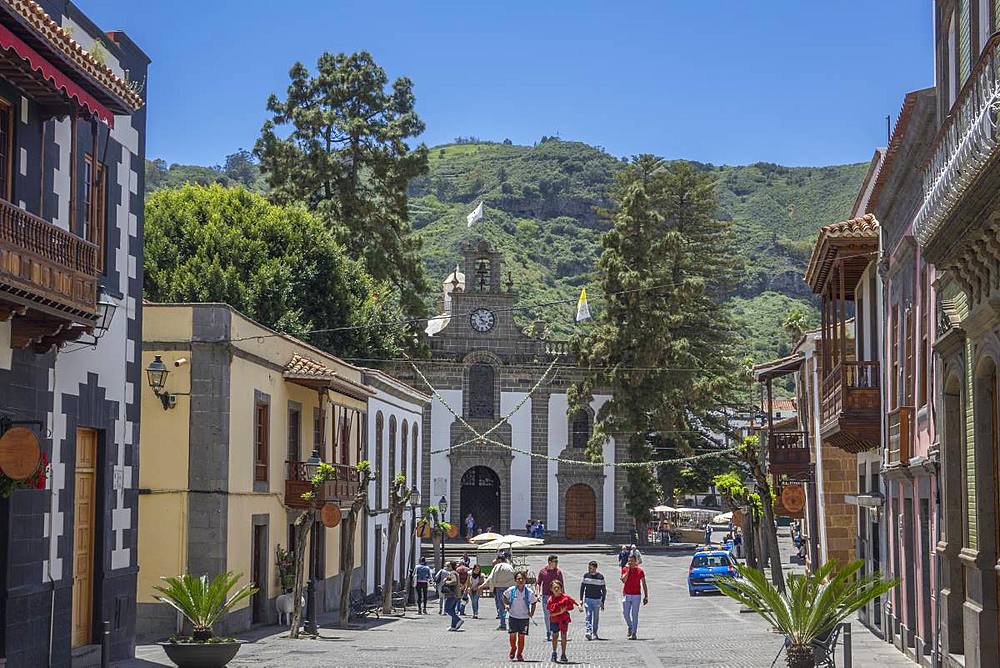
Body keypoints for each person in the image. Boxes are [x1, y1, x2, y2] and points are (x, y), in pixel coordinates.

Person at [502, 571, 537, 661]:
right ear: (515, 580)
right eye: (518, 579)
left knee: (521, 636)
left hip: (524, 618)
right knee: (512, 635)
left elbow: (534, 602)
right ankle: (513, 648)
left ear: (525, 580)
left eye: (522, 579)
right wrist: (506, 605)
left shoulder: (529, 592)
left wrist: (532, 612)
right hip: (513, 616)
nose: (521, 580)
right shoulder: (511, 590)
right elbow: (504, 596)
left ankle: (519, 654)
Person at [546, 580, 582, 663]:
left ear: (561, 588)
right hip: (554, 620)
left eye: (558, 588)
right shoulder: (550, 600)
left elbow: (574, 601)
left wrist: (579, 606)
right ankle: (554, 652)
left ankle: (563, 654)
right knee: (555, 636)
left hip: (563, 620)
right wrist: (560, 612)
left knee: (563, 636)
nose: (557, 589)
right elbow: (551, 614)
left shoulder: (565, 597)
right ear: (551, 589)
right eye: (554, 588)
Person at [481, 553, 516, 630]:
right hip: (510, 588)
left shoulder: (497, 566)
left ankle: (503, 624)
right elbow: (515, 576)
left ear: (499, 560)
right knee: (511, 607)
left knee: (501, 608)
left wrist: (482, 585)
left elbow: (490, 578)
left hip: (500, 588)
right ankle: (512, 625)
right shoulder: (510, 566)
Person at [535, 555, 565, 642]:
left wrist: (564, 597)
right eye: (555, 562)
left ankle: (555, 632)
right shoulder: (543, 572)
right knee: (547, 616)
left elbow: (562, 585)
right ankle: (549, 632)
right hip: (546, 597)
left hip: (556, 597)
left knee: (557, 615)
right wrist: (537, 593)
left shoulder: (558, 572)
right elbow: (538, 583)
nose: (556, 563)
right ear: (549, 562)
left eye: (557, 562)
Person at [620, 554, 648, 640]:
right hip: (627, 594)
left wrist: (646, 595)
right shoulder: (624, 569)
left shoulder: (640, 571)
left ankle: (634, 632)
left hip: (636, 595)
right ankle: (630, 626)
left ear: (635, 561)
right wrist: (628, 570)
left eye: (632, 561)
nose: (630, 562)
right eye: (629, 561)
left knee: (634, 614)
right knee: (625, 613)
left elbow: (644, 583)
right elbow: (623, 580)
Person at [579, 560, 606, 640]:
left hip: (597, 599)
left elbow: (604, 590)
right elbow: (582, 588)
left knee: (596, 617)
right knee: (588, 616)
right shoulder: (586, 576)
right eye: (589, 568)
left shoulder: (600, 577)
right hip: (588, 599)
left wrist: (602, 601)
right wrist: (581, 599)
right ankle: (588, 631)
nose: (589, 569)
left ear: (595, 568)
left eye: (591, 568)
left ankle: (594, 632)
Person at [441, 562, 464, 631]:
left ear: (451, 566)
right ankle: (453, 626)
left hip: (452, 594)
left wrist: (446, 582)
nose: (446, 567)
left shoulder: (452, 573)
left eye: (448, 566)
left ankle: (458, 620)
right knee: (452, 610)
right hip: (456, 594)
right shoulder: (455, 573)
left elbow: (454, 581)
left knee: (447, 609)